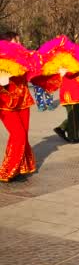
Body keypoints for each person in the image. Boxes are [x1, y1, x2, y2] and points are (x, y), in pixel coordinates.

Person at [0, 32, 37, 182]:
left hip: (23, 101)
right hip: (6, 104)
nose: (20, 44)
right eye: (17, 41)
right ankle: (7, 170)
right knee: (18, 135)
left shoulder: (24, 58)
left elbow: (35, 72)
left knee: (23, 135)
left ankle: (21, 166)